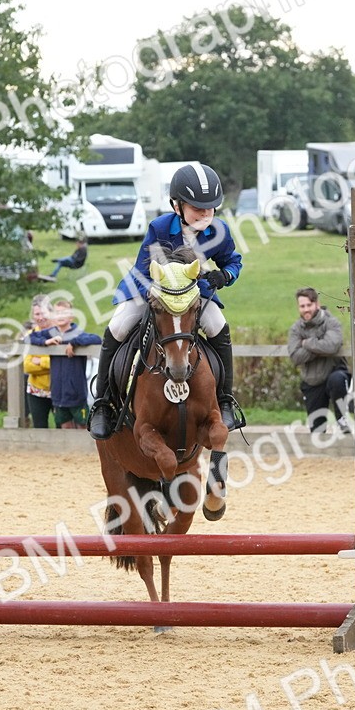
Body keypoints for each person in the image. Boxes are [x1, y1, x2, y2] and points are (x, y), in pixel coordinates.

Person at [88, 163, 244, 502]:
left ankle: (226, 400)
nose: (205, 213)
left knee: (219, 326)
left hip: (194, 297)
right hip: (152, 292)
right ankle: (103, 404)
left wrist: (223, 277)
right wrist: (160, 293)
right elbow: (147, 266)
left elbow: (234, 261)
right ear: (178, 206)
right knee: (116, 327)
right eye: (197, 207)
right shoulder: (160, 226)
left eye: (210, 207)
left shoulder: (220, 230)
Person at [29, 299, 101, 429]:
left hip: (76, 394)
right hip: (57, 394)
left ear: (71, 317)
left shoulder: (77, 333)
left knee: (83, 427)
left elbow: (96, 338)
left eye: (64, 313)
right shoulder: (50, 333)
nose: (60, 316)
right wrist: (47, 342)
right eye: (57, 313)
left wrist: (75, 342)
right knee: (65, 427)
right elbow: (30, 337)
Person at [287, 287, 351, 433]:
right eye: (302, 306)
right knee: (316, 431)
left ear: (316, 303)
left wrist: (307, 343)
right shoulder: (296, 328)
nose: (306, 309)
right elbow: (295, 356)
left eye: (309, 305)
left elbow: (332, 346)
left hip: (334, 372)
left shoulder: (331, 322)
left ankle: (342, 418)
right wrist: (319, 346)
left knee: (338, 379)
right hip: (311, 380)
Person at [22, 295, 54, 428]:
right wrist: (49, 363)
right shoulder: (30, 335)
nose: (40, 317)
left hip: (58, 389)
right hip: (36, 390)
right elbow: (28, 367)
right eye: (37, 314)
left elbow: (58, 364)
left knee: (63, 426)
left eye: (43, 313)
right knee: (39, 427)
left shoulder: (59, 332)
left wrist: (39, 361)